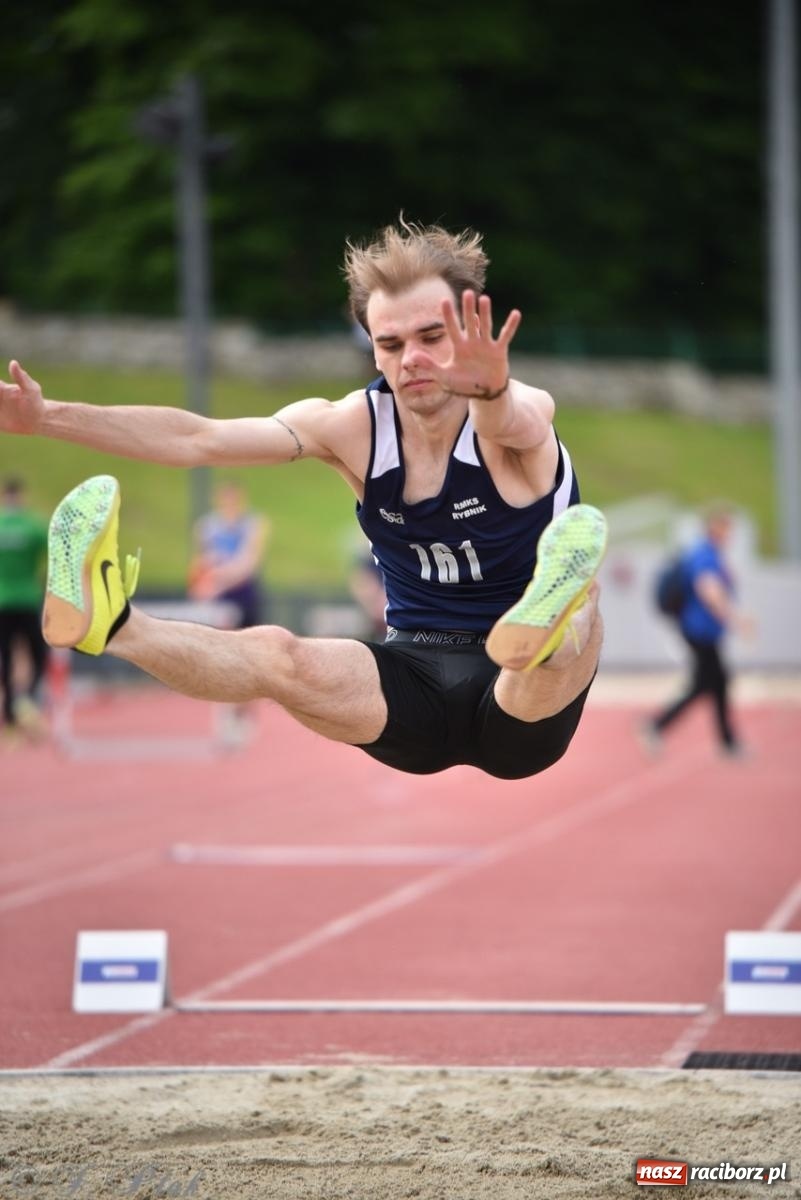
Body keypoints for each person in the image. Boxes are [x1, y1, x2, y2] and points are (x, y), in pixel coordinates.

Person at [0, 217, 608, 780]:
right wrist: (47, 417)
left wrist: (492, 390)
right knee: (277, 655)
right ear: (370, 345)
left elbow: (514, 423)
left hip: (522, 717)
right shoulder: (352, 426)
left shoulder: (519, 408)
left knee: (577, 618)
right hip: (411, 682)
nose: (413, 359)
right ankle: (115, 623)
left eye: (432, 336)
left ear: (472, 329)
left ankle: (544, 620)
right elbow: (199, 438)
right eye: (391, 344)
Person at [642, 503, 754, 758]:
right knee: (709, 683)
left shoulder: (708, 552)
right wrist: (737, 619)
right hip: (699, 630)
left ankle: (724, 741)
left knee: (714, 683)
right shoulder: (704, 554)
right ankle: (657, 726)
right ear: (715, 527)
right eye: (727, 528)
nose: (730, 535)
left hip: (704, 631)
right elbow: (709, 590)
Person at [188, 478, 270, 742]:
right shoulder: (207, 527)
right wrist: (205, 585)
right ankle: (225, 713)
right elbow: (202, 561)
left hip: (244, 595)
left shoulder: (254, 524)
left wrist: (218, 578)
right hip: (219, 598)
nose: (230, 504)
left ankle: (245, 712)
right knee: (222, 655)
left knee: (249, 656)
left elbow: (248, 563)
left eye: (234, 499)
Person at [0, 476, 49, 743]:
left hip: (3, 600)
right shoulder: (32, 527)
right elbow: (54, 549)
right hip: (28, 599)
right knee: (39, 655)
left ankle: (9, 715)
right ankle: (28, 699)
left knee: (6, 660)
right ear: (21, 496)